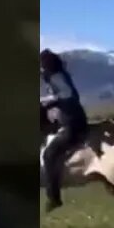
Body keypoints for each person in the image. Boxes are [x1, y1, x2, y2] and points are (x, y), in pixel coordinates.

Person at [39, 48, 90, 213]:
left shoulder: (57, 77)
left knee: (49, 155)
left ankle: (54, 198)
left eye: (42, 65)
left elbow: (67, 95)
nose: (41, 69)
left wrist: (46, 100)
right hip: (70, 120)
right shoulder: (57, 75)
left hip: (73, 124)